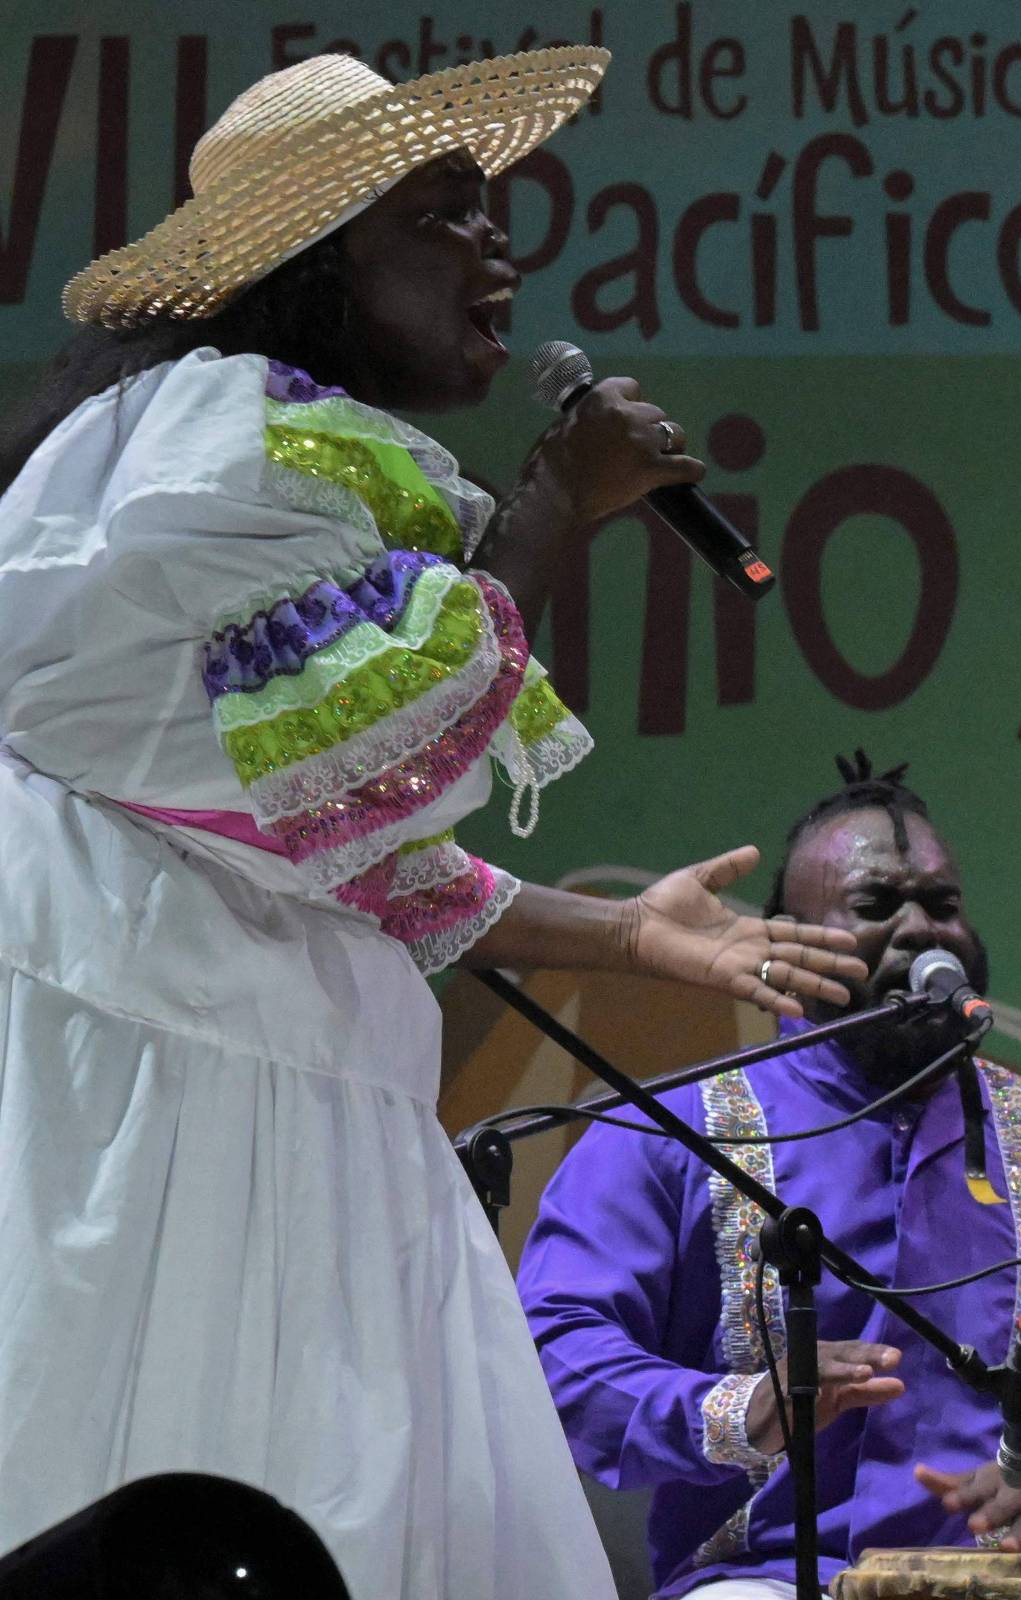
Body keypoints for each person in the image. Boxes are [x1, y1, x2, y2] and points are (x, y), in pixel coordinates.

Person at [0, 52, 872, 1599]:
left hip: (273, 1060)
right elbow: (383, 750)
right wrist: (559, 497)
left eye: (491, 209)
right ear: (314, 257)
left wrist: (622, 933)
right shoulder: (217, 439)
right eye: (442, 214)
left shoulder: (275, 445)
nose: (498, 247)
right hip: (161, 1064)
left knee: (335, 1503)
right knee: (189, 1486)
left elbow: (331, 831)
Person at [517, 756, 1021, 1597]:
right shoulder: (665, 1131)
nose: (924, 929)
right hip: (764, 1580)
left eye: (943, 904)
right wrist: (743, 1411)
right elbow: (558, 1347)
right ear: (785, 943)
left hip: (1017, 1581)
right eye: (878, 906)